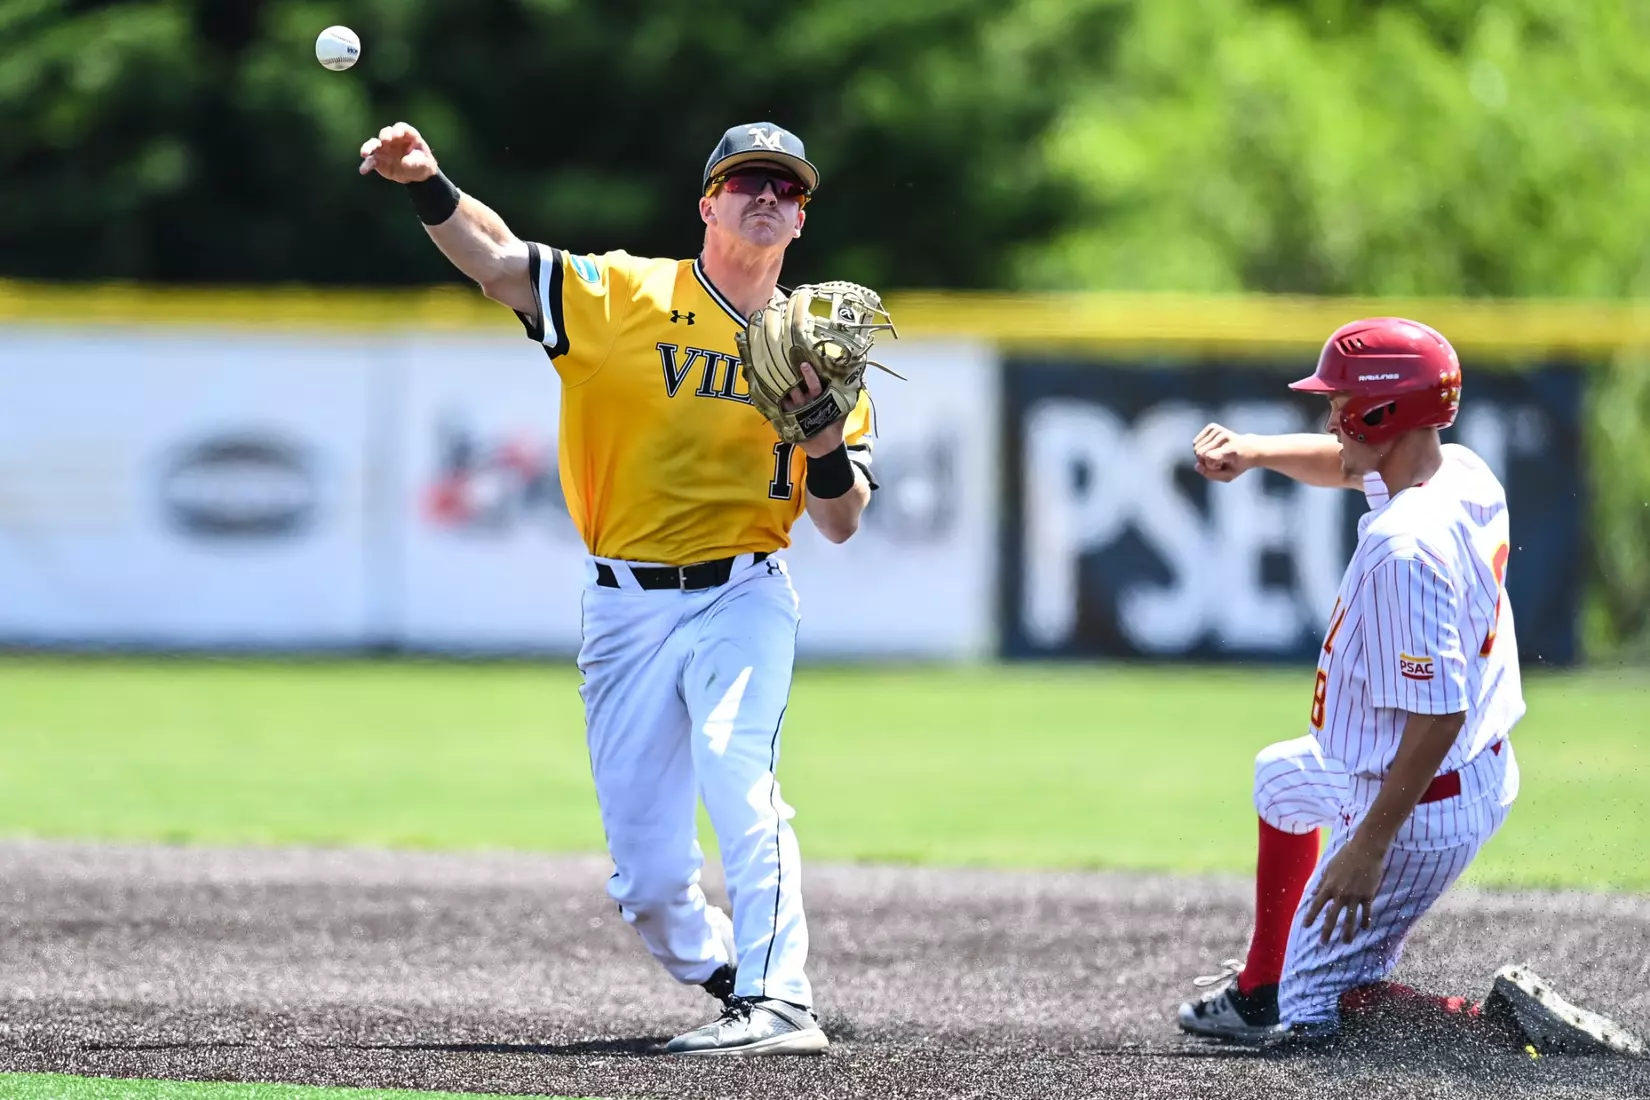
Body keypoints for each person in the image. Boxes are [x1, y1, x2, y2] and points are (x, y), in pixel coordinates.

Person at [357, 119, 880, 1056]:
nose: (768, 197)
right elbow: (497, 261)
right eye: (748, 181)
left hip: (744, 593)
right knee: (645, 877)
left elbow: (842, 521)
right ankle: (728, 976)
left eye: (787, 189)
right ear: (707, 203)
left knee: (739, 775)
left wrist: (823, 435)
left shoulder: (819, 345)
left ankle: (781, 1002)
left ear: (801, 220)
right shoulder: (627, 294)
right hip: (625, 605)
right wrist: (427, 181)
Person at [1177, 317, 1644, 1057]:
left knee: (1317, 1019)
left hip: (1417, 800)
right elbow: (1345, 465)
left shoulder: (1405, 548)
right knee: (1280, 780)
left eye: (1342, 401)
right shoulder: (1459, 469)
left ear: (1383, 413)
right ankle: (1259, 988)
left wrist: (1366, 846)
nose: (1331, 415)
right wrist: (1256, 451)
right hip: (1461, 772)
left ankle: (1506, 1032)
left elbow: (1438, 714)